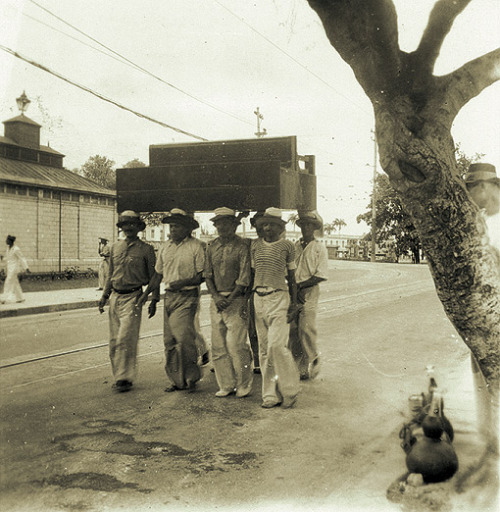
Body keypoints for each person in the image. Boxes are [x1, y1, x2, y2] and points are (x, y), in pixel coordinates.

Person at [139, 208, 205, 393]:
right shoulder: (165, 247)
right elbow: (158, 275)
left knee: (184, 338)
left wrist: (182, 282)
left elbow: (202, 276)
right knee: (169, 341)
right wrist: (149, 298)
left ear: (186, 228)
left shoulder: (196, 246)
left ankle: (191, 376)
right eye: (171, 226)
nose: (173, 229)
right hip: (169, 297)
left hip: (187, 297)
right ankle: (177, 381)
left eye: (177, 226)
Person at [98, 211, 159, 393]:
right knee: (114, 340)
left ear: (139, 228)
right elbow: (111, 275)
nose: (128, 228)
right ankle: (119, 375)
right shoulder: (115, 248)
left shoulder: (146, 250)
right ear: (121, 228)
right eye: (125, 225)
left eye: (132, 224)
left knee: (126, 338)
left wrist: (153, 299)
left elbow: (154, 277)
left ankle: (125, 378)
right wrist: (104, 296)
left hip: (134, 297)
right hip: (115, 297)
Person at [464, 163, 500, 437]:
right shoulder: (481, 221)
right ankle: (488, 438)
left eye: (470, 189)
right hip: (483, 314)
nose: (468, 196)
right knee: (479, 372)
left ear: (484, 187)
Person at [251, 207, 300, 409]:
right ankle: (269, 395)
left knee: (276, 346)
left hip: (279, 298)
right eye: (264, 224)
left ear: (280, 227)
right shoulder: (255, 246)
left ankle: (290, 390)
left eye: (272, 224)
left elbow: (292, 278)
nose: (268, 228)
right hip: (258, 299)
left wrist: (295, 304)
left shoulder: (288, 246)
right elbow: (254, 273)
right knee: (264, 351)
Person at [205, 207, 253, 398]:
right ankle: (226, 384)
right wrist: (216, 297)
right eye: (219, 223)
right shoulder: (210, 246)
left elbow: (244, 278)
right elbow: (207, 274)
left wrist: (230, 298)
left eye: (227, 223)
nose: (222, 227)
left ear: (234, 225)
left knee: (237, 345)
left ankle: (243, 384)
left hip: (236, 299)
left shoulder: (242, 246)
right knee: (218, 345)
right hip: (217, 300)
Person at [288, 211, 328, 380]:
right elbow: (288, 270)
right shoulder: (295, 246)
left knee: (306, 327)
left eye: (309, 225)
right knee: (294, 330)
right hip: (293, 291)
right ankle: (300, 367)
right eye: (303, 225)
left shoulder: (319, 248)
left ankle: (314, 356)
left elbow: (320, 274)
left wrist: (300, 286)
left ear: (314, 228)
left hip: (309, 291)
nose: (306, 228)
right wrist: (293, 288)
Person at [246, 211, 265, 374]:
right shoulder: (253, 245)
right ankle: (257, 361)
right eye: (258, 226)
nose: (261, 229)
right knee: (253, 328)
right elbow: (251, 271)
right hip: (256, 290)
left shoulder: (280, 243)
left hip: (275, 291)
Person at [1, 235, 29, 304]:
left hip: (14, 269)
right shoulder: (8, 248)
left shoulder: (16, 249)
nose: (6, 241)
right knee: (15, 283)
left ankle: (4, 298)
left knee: (8, 282)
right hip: (9, 268)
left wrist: (26, 268)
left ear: (11, 241)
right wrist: (2, 258)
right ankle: (20, 298)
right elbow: (8, 258)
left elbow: (21, 258)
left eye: (7, 240)